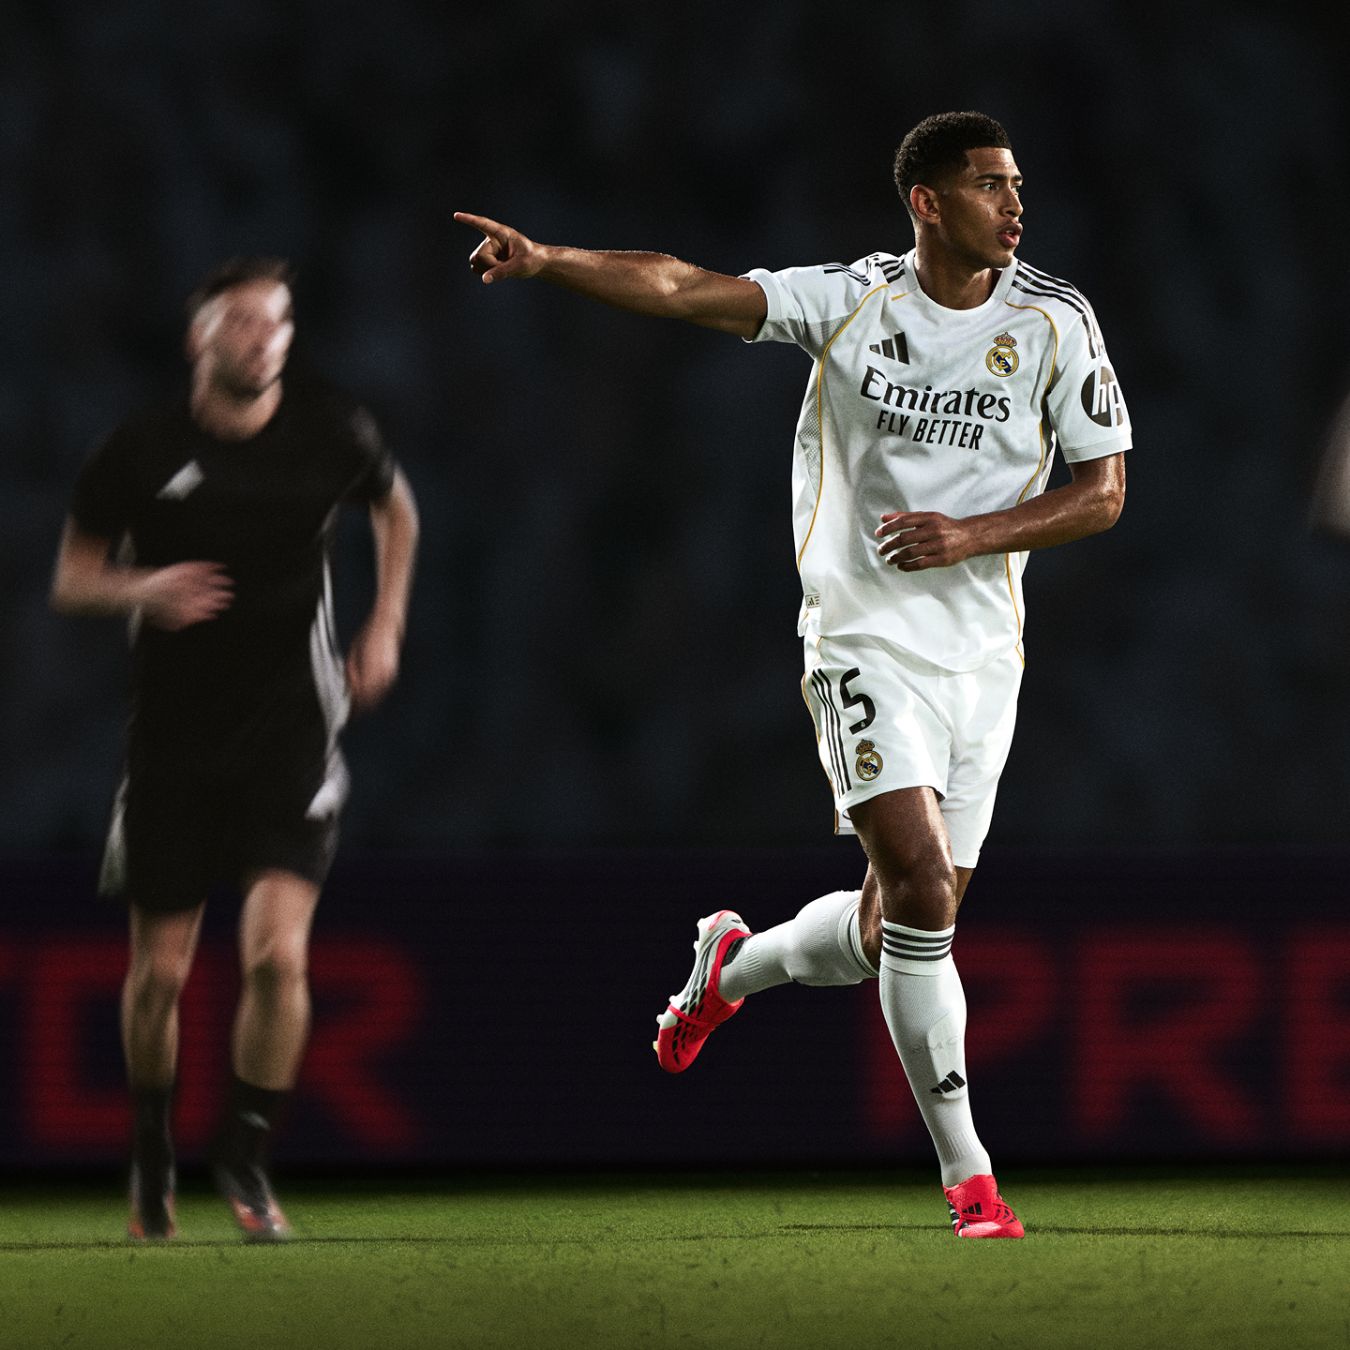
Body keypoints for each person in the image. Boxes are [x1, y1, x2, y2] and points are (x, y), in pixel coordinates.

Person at [454, 109, 1129, 1238]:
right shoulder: (851, 300)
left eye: (1017, 184)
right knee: (921, 892)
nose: (1016, 204)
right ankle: (971, 1181)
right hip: (860, 639)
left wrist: (970, 535)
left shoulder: (1056, 322)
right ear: (927, 203)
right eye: (990, 185)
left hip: (983, 657)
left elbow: (1104, 492)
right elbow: (685, 288)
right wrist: (551, 258)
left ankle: (727, 970)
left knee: (890, 927)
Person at [50, 257, 419, 1242]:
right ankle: (151, 1150)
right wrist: (142, 588)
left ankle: (246, 1157)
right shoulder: (139, 451)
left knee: (276, 960)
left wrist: (385, 621)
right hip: (172, 745)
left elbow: (396, 508)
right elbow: (73, 579)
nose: (264, 340)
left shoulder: (332, 431)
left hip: (291, 736)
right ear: (200, 338)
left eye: (277, 323)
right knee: (161, 976)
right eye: (244, 323)